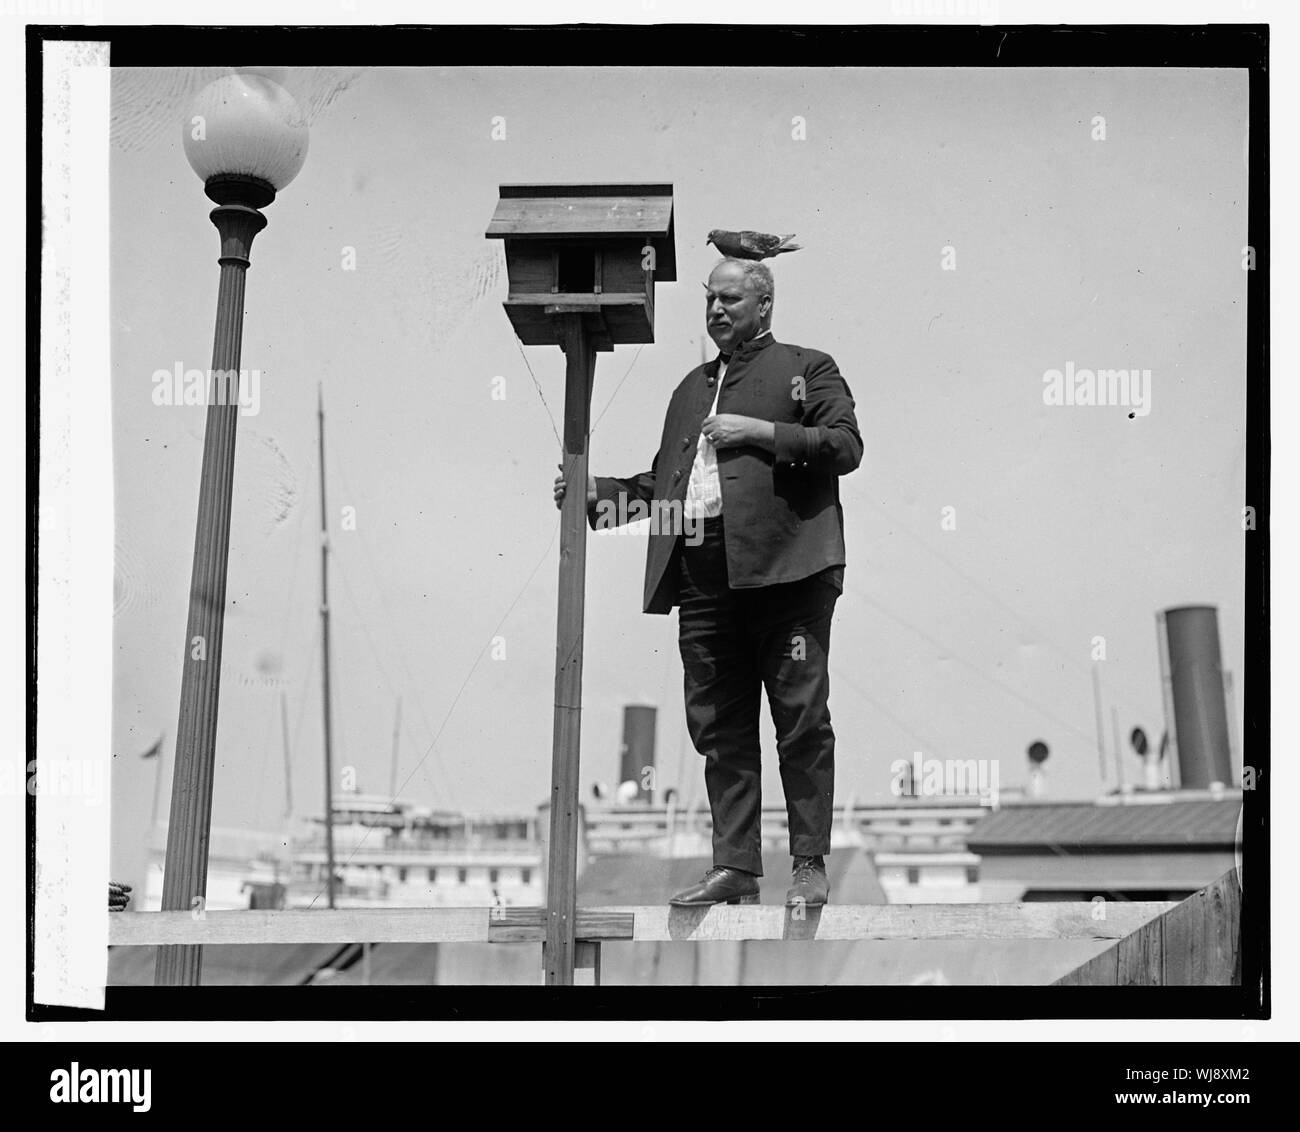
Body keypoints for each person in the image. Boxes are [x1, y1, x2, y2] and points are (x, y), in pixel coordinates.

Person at [553, 257, 862, 906]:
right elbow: (663, 488)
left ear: (764, 304)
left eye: (730, 299)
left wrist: (758, 432)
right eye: (709, 300)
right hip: (700, 574)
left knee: (800, 719)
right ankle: (736, 868)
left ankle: (808, 864)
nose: (716, 310)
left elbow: (845, 446)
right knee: (718, 727)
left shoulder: (809, 366)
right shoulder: (689, 390)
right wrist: (592, 494)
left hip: (788, 574)